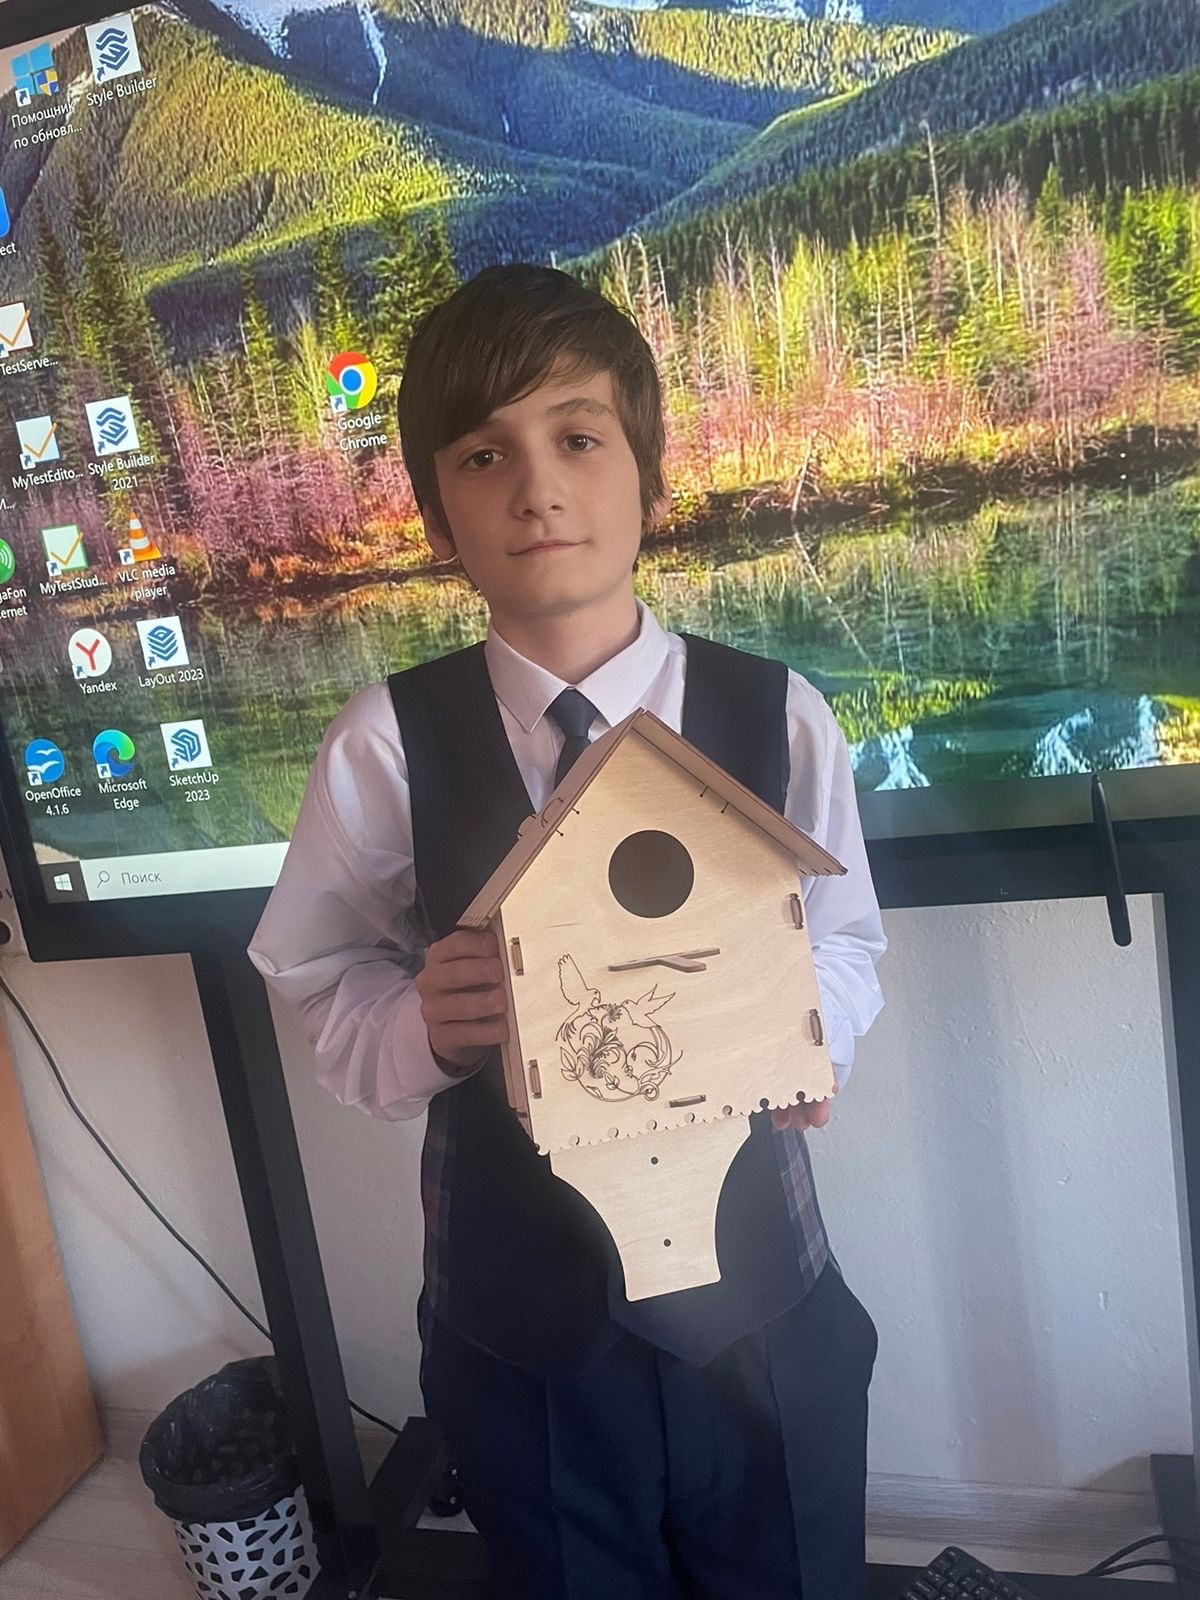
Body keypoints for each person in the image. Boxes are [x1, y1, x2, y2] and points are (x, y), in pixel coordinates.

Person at [248, 262, 887, 1600]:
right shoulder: (385, 747)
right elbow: (320, 975)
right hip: (517, 1340)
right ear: (440, 516)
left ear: (649, 478)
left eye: (579, 438)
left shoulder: (779, 715)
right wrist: (421, 1025)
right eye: (485, 455)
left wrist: (810, 1032)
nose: (537, 488)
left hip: (764, 1316)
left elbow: (844, 941)